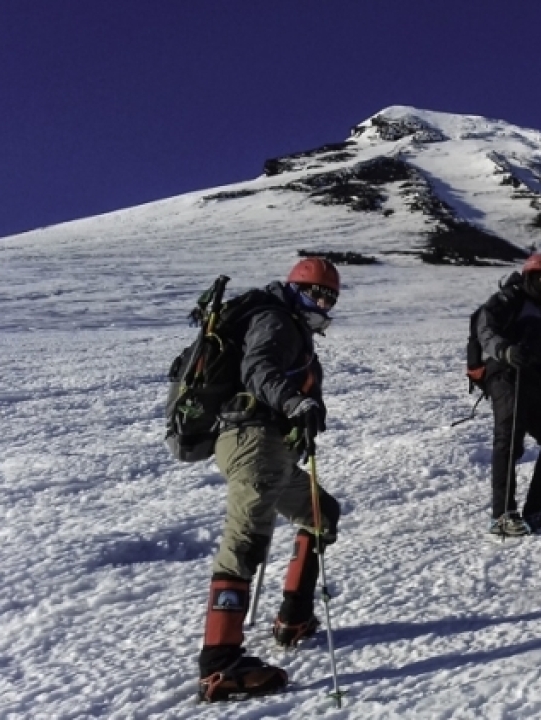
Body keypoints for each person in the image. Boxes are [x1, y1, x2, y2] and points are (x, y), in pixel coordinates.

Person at [196, 257, 344, 702]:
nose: (323, 302)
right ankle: (219, 664)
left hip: (269, 446)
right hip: (252, 440)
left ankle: (294, 616)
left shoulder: (290, 324)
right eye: (316, 292)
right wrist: (295, 404)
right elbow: (258, 368)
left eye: (330, 296)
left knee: (321, 511)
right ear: (296, 288)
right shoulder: (276, 320)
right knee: (245, 540)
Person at [474, 253, 541, 536]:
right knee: (509, 440)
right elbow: (484, 327)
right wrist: (506, 351)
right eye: (539, 277)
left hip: (531, 382)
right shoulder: (508, 300)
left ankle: (536, 509)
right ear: (528, 276)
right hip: (505, 375)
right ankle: (502, 515)